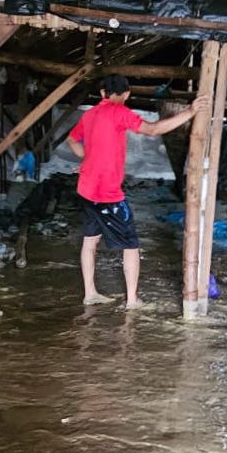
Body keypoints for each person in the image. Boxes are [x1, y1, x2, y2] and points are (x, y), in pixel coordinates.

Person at [67, 74, 209, 308]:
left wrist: (88, 158)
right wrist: (190, 112)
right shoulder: (120, 112)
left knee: (90, 242)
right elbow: (153, 129)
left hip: (86, 191)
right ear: (126, 94)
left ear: (102, 93)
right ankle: (132, 299)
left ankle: (90, 293)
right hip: (108, 194)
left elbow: (72, 140)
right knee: (131, 246)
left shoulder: (89, 115)